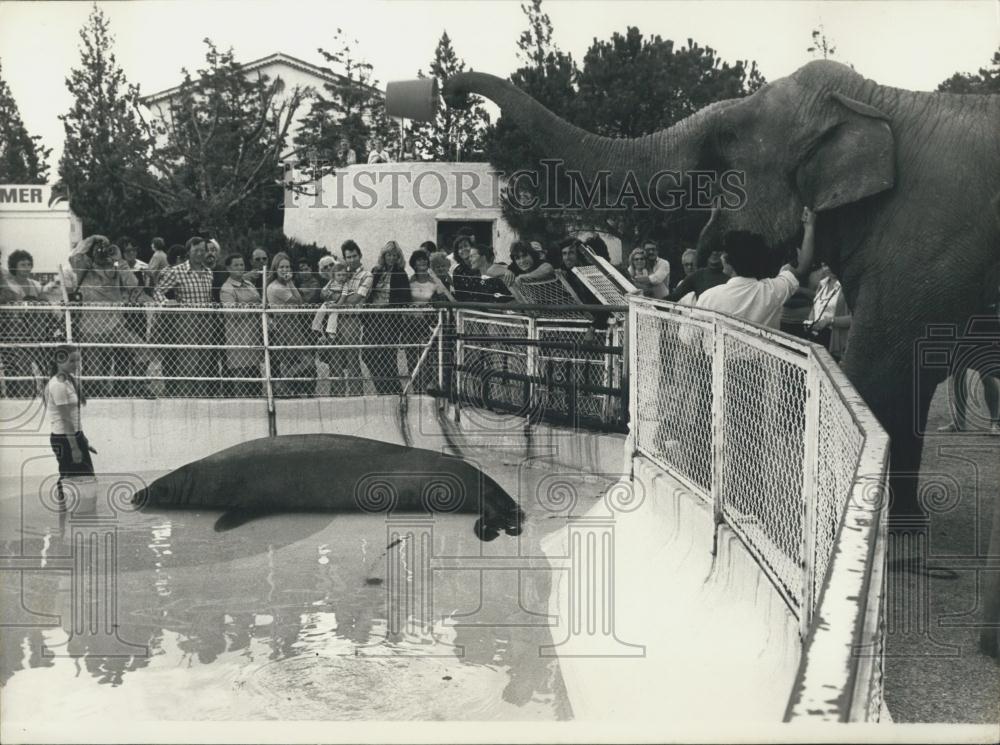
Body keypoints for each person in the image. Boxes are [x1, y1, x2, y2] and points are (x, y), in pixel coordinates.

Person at [697, 207, 817, 328]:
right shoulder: (772, 291)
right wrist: (810, 226)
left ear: (728, 262)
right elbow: (802, 266)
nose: (721, 257)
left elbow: (687, 337)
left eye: (724, 253)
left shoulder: (708, 298)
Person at [68, 235, 154, 398]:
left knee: (144, 350)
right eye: (98, 249)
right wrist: (93, 239)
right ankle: (96, 398)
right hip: (91, 328)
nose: (102, 252)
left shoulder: (116, 267)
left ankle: (138, 385)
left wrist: (120, 260)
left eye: (105, 248)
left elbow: (132, 285)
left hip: (115, 326)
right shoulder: (85, 268)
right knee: (95, 373)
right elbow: (74, 256)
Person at [155, 237, 216, 396]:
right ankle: (184, 397)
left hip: (206, 319)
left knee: (205, 361)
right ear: (188, 252)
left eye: (203, 250)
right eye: (196, 250)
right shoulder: (177, 271)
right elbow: (158, 291)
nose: (200, 253)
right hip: (187, 320)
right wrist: (166, 302)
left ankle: (200, 397)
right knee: (188, 361)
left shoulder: (209, 272)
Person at [43, 345, 97, 504]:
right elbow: (66, 420)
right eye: (72, 361)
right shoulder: (58, 385)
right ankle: (67, 511)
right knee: (73, 478)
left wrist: (83, 441)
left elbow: (74, 418)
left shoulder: (68, 381)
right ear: (59, 361)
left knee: (82, 477)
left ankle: (72, 509)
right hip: (64, 438)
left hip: (73, 436)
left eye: (78, 360)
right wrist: (74, 448)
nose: (76, 364)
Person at [364, 241, 412, 394]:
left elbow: (406, 298)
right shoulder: (376, 271)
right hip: (373, 318)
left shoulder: (401, 273)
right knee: (367, 353)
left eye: (394, 255)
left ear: (398, 257)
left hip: (390, 318)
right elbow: (368, 293)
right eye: (388, 255)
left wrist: (390, 305)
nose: (391, 258)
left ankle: (394, 392)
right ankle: (382, 388)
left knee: (388, 355)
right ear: (383, 256)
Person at [266, 252, 312, 396]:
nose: (285, 270)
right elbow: (298, 301)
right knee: (305, 360)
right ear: (275, 268)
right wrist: (291, 282)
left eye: (287, 267)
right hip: (285, 324)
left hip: (292, 323)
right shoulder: (276, 287)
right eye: (282, 267)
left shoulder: (283, 284)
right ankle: (282, 382)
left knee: (290, 361)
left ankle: (284, 385)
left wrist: (289, 282)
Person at [219, 253, 263, 397]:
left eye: (242, 265)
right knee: (242, 382)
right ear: (228, 268)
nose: (240, 268)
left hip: (253, 337)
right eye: (236, 265)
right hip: (238, 340)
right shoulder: (227, 288)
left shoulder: (249, 284)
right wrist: (253, 307)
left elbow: (260, 301)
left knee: (256, 382)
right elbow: (231, 312)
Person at [337, 240, 372, 396]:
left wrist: (338, 300)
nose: (351, 260)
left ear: (360, 255)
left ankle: (356, 395)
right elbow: (327, 291)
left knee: (352, 359)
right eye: (348, 257)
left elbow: (356, 298)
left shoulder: (367, 275)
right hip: (336, 318)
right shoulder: (343, 273)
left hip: (351, 319)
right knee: (336, 358)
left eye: (354, 256)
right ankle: (337, 395)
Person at [312, 260, 351, 395]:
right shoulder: (327, 284)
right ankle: (316, 326)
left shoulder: (344, 284)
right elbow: (322, 294)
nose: (328, 268)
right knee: (333, 361)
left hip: (339, 319)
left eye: (331, 265)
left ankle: (340, 391)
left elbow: (342, 297)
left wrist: (336, 302)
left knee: (340, 360)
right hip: (327, 315)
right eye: (325, 267)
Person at [803, 263, 851, 360]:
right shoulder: (822, 284)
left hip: (833, 339)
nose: (828, 268)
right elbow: (815, 307)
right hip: (816, 336)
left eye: (830, 264)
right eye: (825, 265)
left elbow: (853, 319)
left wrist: (830, 321)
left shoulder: (847, 286)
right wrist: (810, 321)